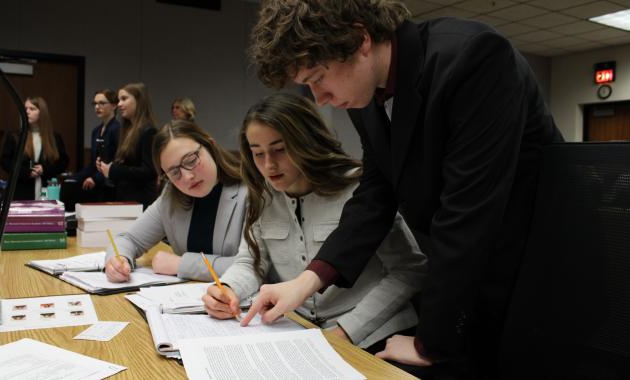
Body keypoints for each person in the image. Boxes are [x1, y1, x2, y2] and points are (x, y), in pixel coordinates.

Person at [243, 1, 564, 378]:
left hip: (530, 278)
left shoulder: (473, 56)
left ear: (360, 39)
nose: (319, 98)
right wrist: (305, 281)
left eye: (318, 78)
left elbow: (467, 214)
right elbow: (375, 196)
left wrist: (430, 342)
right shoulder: (364, 93)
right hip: (464, 282)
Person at [203, 93, 427, 350]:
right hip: (303, 332)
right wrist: (228, 290)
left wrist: (346, 330)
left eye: (280, 150)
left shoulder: (361, 191)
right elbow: (251, 261)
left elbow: (410, 270)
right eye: (257, 153)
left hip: (375, 335)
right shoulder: (263, 195)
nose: (269, 165)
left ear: (306, 141)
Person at [104, 119, 247, 283]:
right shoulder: (170, 196)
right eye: (174, 172)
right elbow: (129, 239)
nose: (187, 177)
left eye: (191, 160)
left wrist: (181, 265)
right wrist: (118, 259)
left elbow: (254, 267)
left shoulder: (250, 193)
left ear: (211, 146)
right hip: (184, 301)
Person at [97, 83, 158, 208]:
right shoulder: (125, 130)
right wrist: (106, 168)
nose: (119, 104)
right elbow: (127, 165)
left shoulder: (149, 132)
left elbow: (148, 172)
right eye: (119, 100)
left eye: (124, 99)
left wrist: (113, 170)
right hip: (125, 199)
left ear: (139, 101)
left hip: (140, 202)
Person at [0, 96, 69, 200]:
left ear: (42, 113)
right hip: (21, 190)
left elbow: (63, 162)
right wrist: (27, 171)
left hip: (47, 190)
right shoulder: (15, 137)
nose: (27, 112)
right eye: (25, 109)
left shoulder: (54, 137)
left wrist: (44, 169)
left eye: (32, 109)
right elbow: (5, 162)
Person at [71, 89, 120, 201]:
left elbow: (115, 161)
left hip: (112, 186)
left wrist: (95, 179)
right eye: (95, 103)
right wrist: (74, 178)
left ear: (114, 106)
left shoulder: (117, 129)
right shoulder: (96, 131)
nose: (97, 107)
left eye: (102, 103)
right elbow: (94, 163)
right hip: (98, 187)